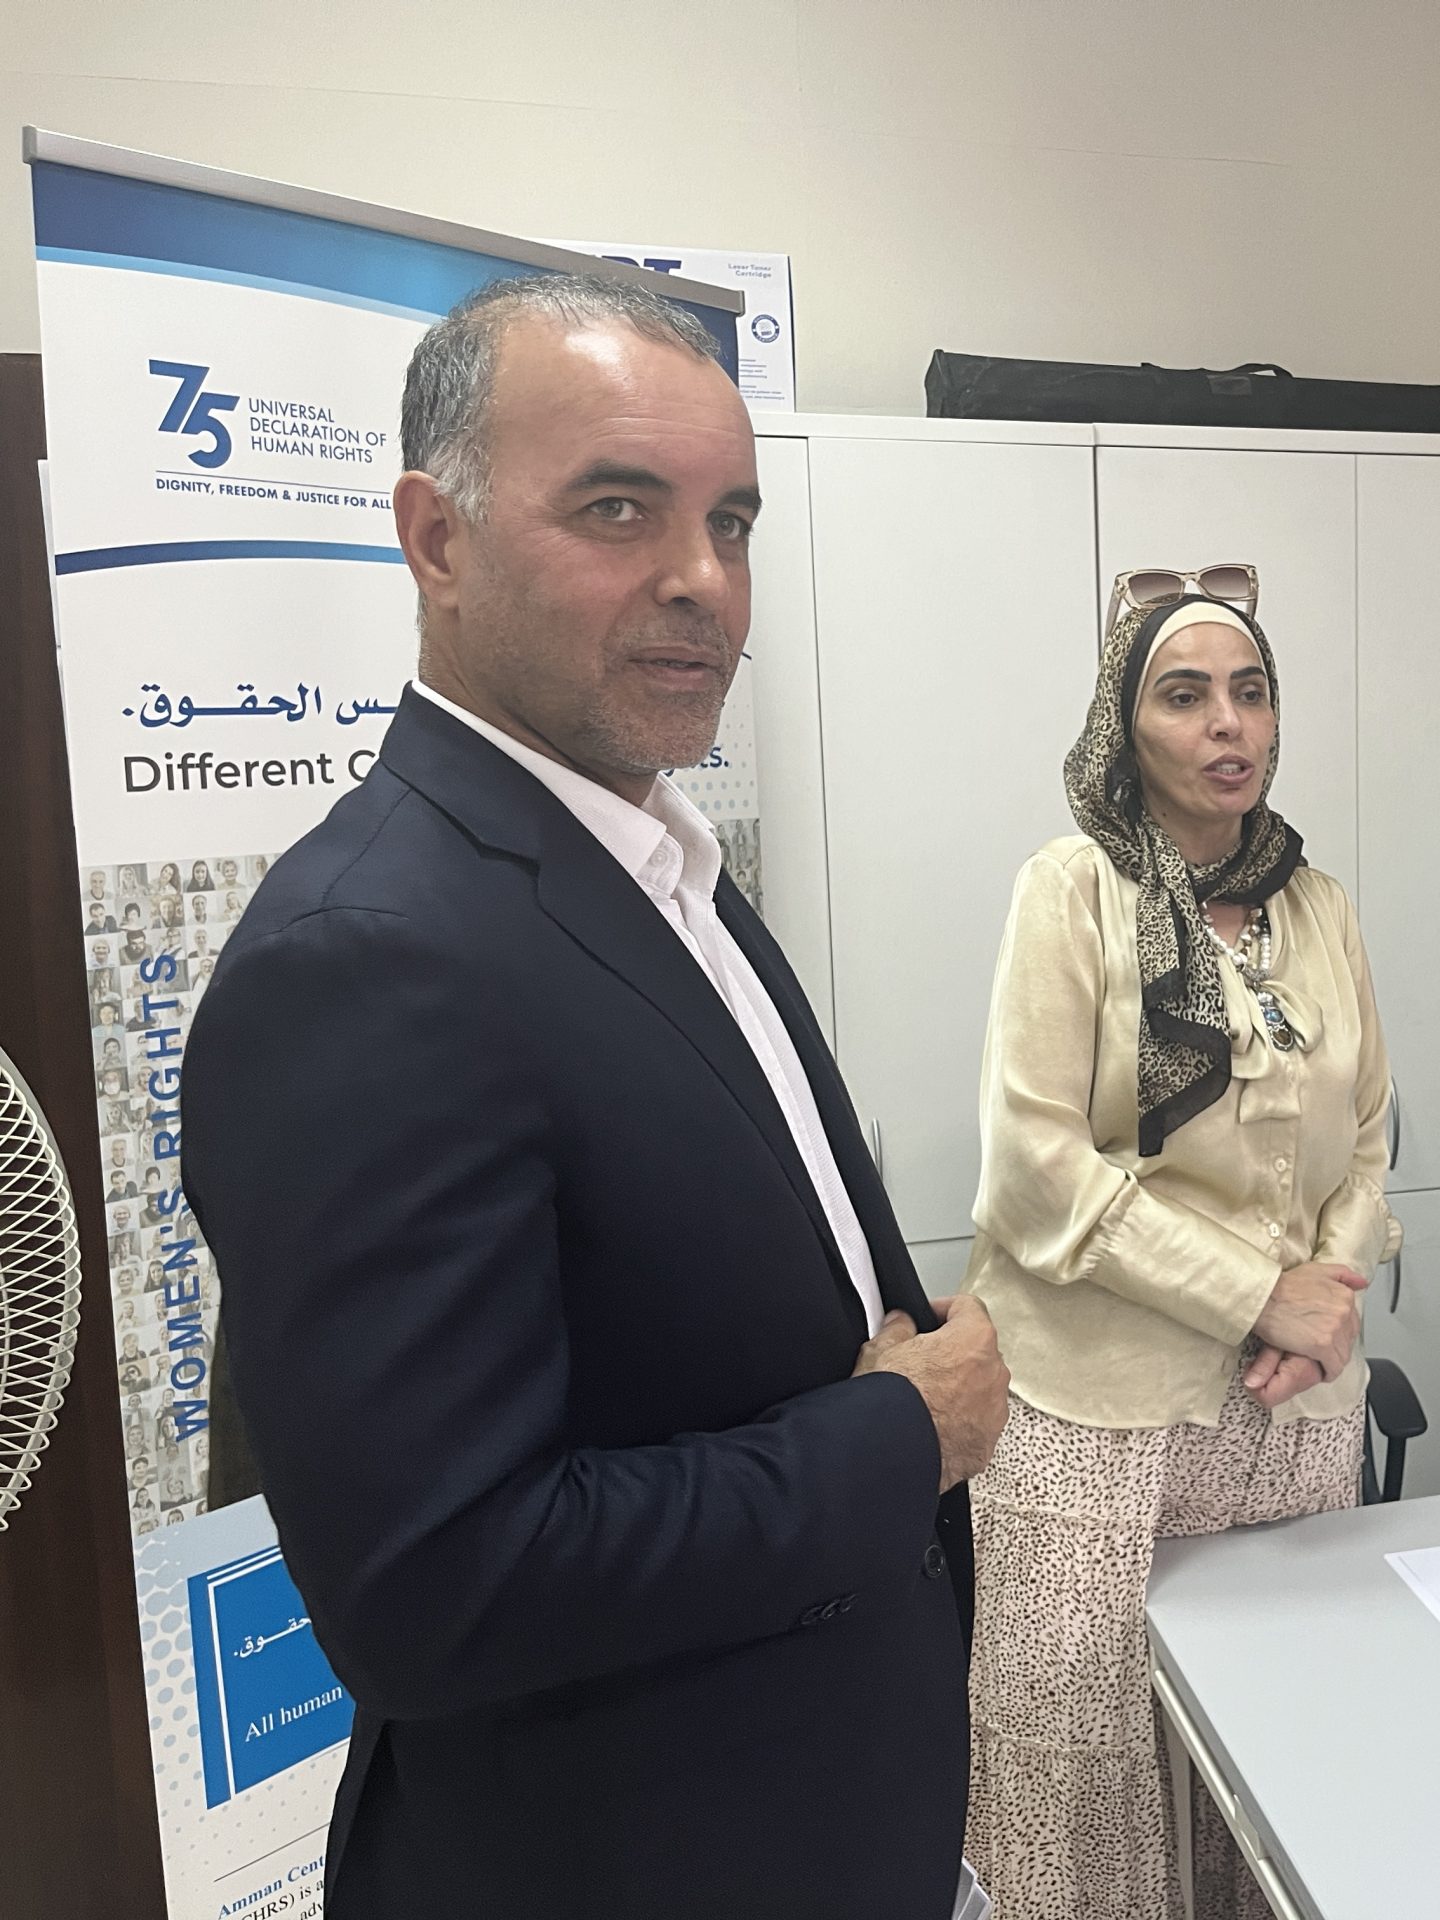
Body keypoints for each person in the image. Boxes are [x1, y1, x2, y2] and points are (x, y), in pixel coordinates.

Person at [182, 273, 1007, 1920]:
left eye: (734, 522)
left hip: (813, 1830)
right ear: (437, 540)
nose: (703, 582)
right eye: (620, 510)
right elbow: (434, 1587)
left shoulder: (656, 868)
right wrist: (891, 1442)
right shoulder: (368, 957)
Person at [962, 578, 1391, 1920]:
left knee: (1274, 1775)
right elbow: (1037, 1171)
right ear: (1125, 723)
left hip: (1289, 1417)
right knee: (1082, 1787)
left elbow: (1369, 1130)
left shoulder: (1314, 902)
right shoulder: (1071, 891)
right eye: (1184, 693)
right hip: (1096, 1417)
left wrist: (1322, 1298)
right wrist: (1261, 1294)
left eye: (1250, 692)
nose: (1228, 725)